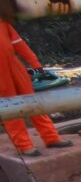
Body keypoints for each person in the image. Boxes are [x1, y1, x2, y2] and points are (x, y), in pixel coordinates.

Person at [1, 19, 73, 156]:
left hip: (15, 67)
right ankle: (24, 145)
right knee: (9, 108)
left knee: (33, 102)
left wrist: (35, 63)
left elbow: (19, 44)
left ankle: (52, 138)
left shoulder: (3, 23)